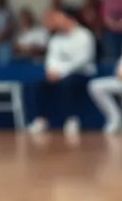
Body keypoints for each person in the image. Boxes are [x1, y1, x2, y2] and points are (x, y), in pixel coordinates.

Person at [28, 8, 96, 136]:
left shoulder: (84, 35)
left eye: (59, 18)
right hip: (58, 74)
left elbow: (83, 59)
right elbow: (51, 59)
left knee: (68, 83)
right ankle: (42, 120)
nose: (56, 22)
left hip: (82, 73)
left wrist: (61, 72)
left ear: (70, 20)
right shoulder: (56, 39)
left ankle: (72, 119)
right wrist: (51, 71)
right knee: (40, 85)